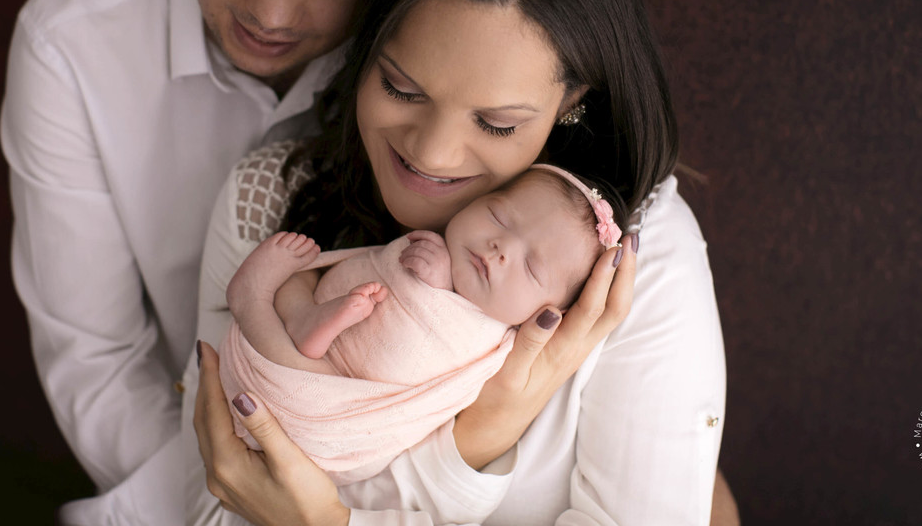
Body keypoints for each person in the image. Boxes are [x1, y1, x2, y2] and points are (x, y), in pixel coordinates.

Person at [184, 0, 727, 525]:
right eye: (402, 90)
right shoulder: (271, 197)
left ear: (570, 104)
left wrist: (328, 521)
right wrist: (475, 438)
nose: (432, 154)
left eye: (497, 123)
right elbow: (213, 506)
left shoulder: (628, 257)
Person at [0, 0, 448, 522]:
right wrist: (234, 508)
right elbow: (97, 361)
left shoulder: (442, 69)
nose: (274, 12)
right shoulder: (69, 43)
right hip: (186, 470)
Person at [217, 164, 625, 485]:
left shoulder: (491, 343)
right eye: (498, 217)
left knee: (309, 374)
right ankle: (305, 319)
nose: (501, 248)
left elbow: (436, 380)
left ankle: (252, 301)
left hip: (328, 426)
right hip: (275, 368)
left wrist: (436, 290)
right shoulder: (433, 241)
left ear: (550, 313)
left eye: (532, 267)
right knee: (301, 282)